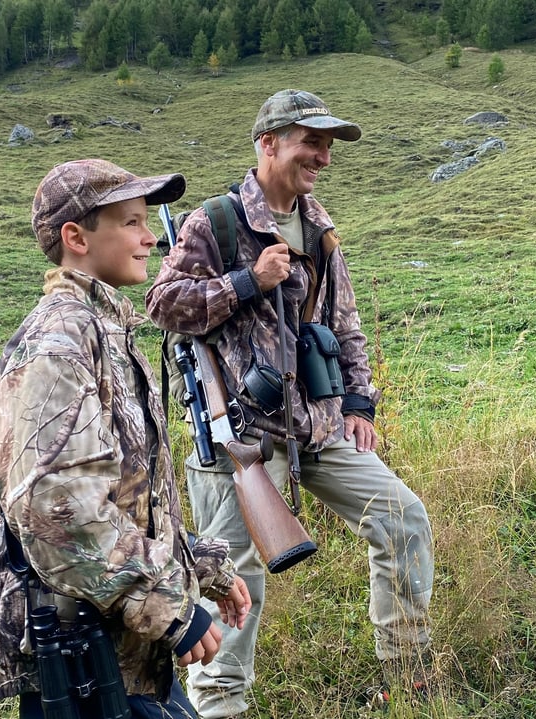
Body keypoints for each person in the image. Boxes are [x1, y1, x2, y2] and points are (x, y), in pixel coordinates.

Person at [145, 90, 434, 717]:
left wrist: (359, 403)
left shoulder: (321, 227)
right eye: (312, 142)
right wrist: (248, 282)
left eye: (328, 146)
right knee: (230, 574)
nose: (323, 157)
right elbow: (162, 304)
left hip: (321, 428)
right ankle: (219, 707)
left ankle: (407, 676)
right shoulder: (217, 223)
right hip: (241, 435)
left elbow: (345, 323)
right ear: (268, 143)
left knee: (403, 518)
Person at [0, 159, 251, 719]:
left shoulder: (102, 329)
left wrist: (201, 566)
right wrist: (167, 606)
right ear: (76, 238)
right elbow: (56, 507)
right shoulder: (60, 341)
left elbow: (119, 498)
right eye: (131, 221)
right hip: (79, 652)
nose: (150, 235)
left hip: (112, 637)